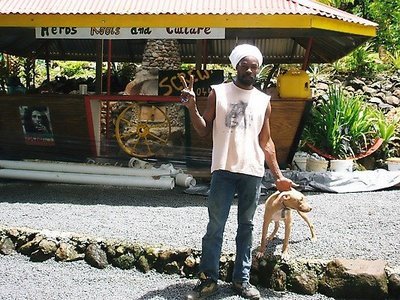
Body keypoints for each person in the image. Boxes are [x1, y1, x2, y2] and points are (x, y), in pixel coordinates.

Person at [179, 44, 296, 300]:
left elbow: (266, 141)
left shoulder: (264, 101)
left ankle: (241, 281)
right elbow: (203, 130)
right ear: (236, 66)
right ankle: (208, 279)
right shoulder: (218, 93)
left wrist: (278, 176)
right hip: (223, 169)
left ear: (259, 68)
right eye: (245, 65)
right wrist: (191, 108)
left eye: (254, 66)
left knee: (247, 226)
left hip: (252, 172)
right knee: (215, 226)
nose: (250, 70)